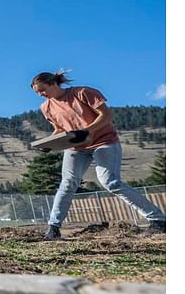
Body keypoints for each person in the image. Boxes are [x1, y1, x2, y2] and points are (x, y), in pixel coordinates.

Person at [31, 70, 166, 239]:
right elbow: (59, 129)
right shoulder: (46, 108)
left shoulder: (83, 93)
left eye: (42, 90)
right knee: (67, 183)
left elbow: (107, 115)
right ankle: (53, 228)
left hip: (104, 141)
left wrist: (87, 130)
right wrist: (50, 144)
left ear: (53, 83)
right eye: (37, 92)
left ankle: (158, 220)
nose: (40, 95)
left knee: (110, 182)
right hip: (76, 148)